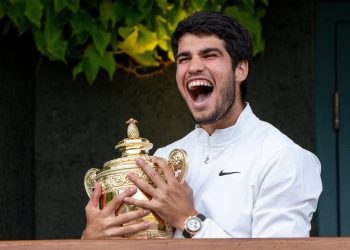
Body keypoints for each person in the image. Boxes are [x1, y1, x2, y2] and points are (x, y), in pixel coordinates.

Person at [83, 12, 322, 239]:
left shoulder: (283, 158)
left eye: (209, 55)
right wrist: (93, 239)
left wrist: (189, 220)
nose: (194, 67)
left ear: (241, 69)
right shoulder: (162, 158)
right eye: (184, 58)